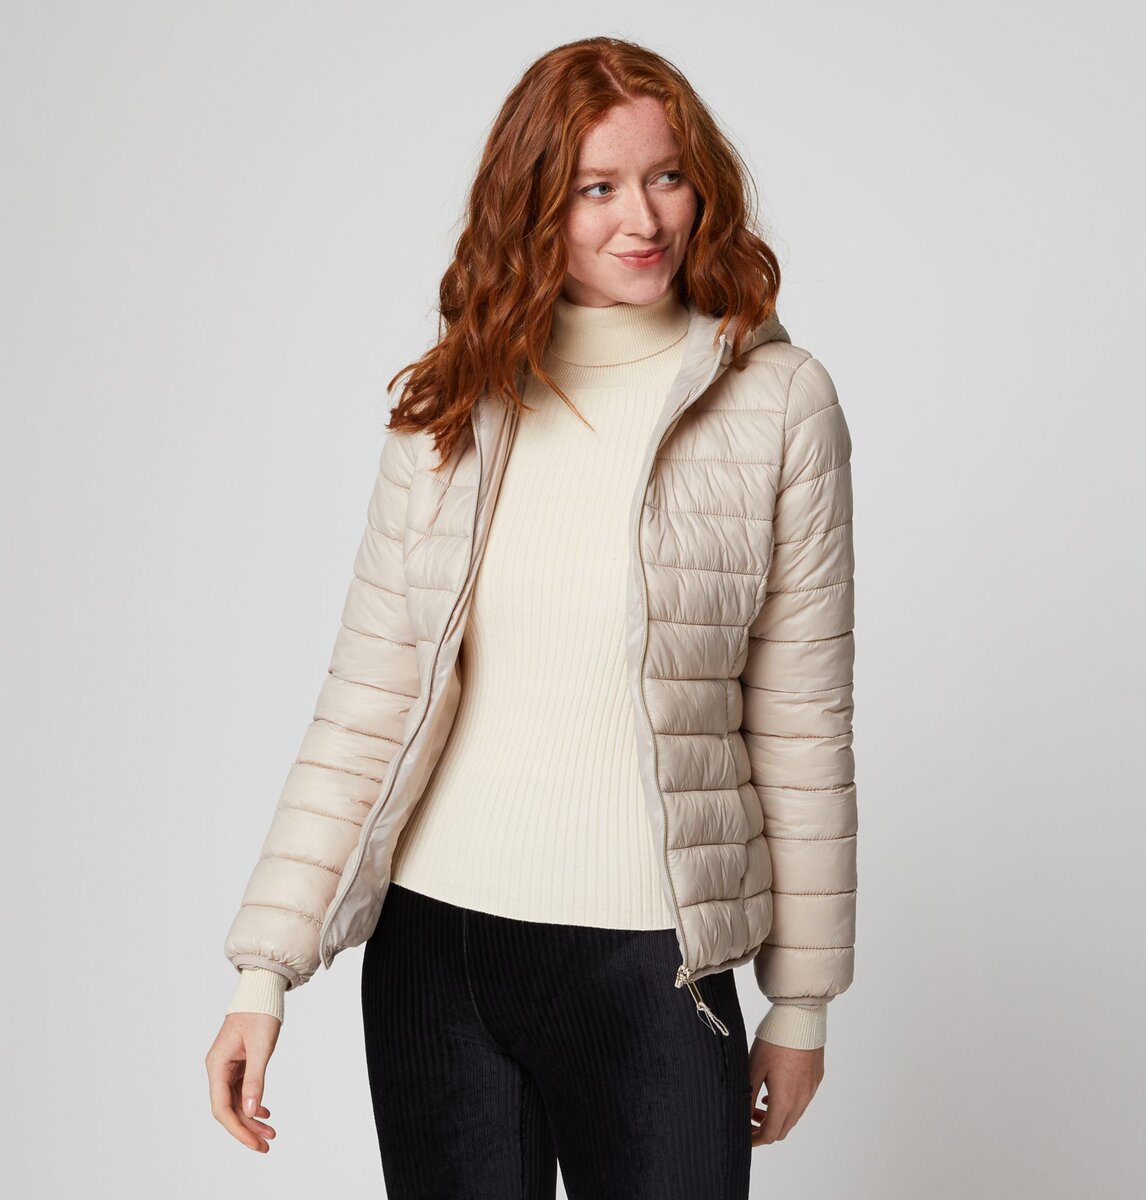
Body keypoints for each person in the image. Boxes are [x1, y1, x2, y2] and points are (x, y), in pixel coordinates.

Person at [205, 35, 857, 1199]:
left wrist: (800, 1001)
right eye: (597, 188)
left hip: (655, 969)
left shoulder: (777, 402)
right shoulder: (453, 401)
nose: (643, 219)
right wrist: (265, 972)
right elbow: (368, 697)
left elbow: (801, 720)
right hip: (438, 956)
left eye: (667, 176)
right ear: (534, 205)